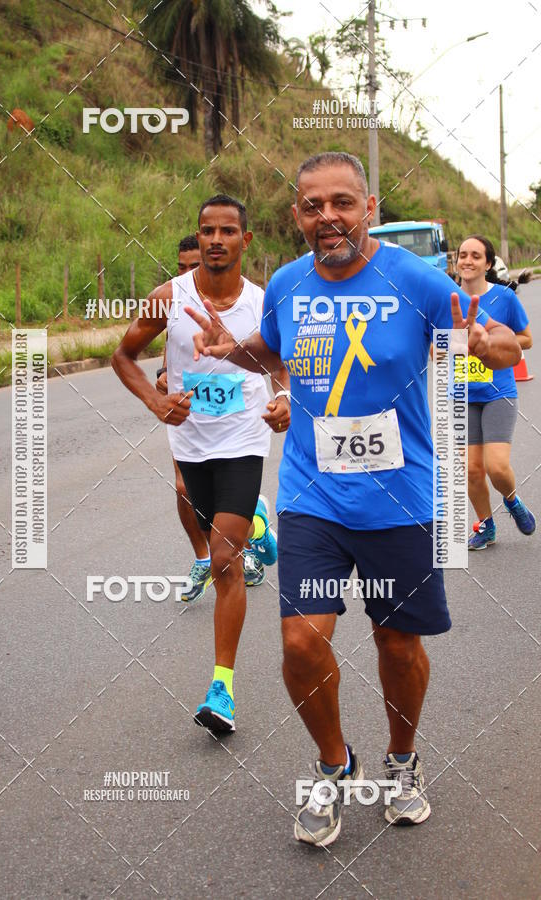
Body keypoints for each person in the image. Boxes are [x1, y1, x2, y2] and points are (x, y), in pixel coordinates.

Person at [186, 152, 521, 845]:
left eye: (341, 202)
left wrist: (490, 346)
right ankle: (334, 765)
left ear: (368, 207)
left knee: (397, 644)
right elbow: (269, 348)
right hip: (312, 496)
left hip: (401, 499)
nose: (327, 217)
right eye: (313, 206)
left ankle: (403, 760)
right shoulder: (286, 284)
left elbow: (477, 343)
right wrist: (230, 351)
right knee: (300, 642)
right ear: (297, 215)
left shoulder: (420, 283)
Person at [112, 194, 290, 734]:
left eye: (228, 231)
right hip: (190, 444)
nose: (216, 240)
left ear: (245, 240)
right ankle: (256, 524)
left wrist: (282, 397)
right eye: (207, 231)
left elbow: (281, 365)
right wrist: (156, 400)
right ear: (198, 237)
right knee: (215, 536)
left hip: (242, 440)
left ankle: (221, 689)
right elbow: (123, 356)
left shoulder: (263, 302)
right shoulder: (169, 298)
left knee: (223, 561)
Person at [156, 237, 267, 596]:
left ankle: (251, 535)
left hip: (238, 417)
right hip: (190, 412)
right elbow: (173, 344)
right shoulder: (172, 298)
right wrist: (161, 377)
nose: (188, 274)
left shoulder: (251, 299)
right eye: (181, 267)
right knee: (183, 487)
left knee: (228, 497)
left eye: (194, 266)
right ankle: (204, 557)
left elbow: (273, 356)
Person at [456, 235, 535, 549]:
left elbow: (526, 339)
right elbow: (436, 346)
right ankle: (486, 526)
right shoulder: (447, 298)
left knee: (496, 466)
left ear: (487, 264)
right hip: (460, 395)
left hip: (498, 391)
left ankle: (512, 501)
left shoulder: (504, 297)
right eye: (463, 255)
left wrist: (492, 344)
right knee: (472, 469)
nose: (467, 260)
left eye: (475, 255)